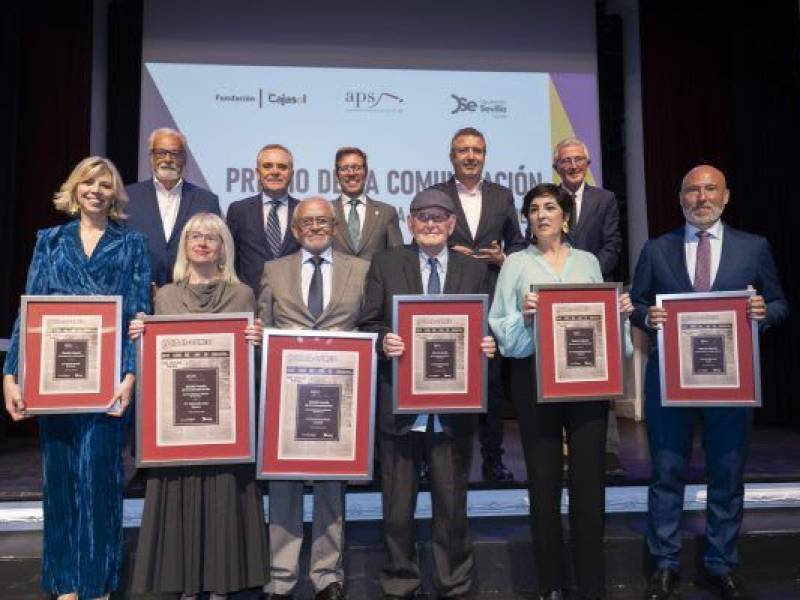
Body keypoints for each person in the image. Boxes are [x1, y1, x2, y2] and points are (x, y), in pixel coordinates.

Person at [630, 165, 788, 600]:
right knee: (666, 471)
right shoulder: (656, 249)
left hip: (731, 381)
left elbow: (779, 303)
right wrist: (647, 316)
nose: (701, 197)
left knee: (727, 471)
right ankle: (664, 564)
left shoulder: (753, 247)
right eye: (692, 190)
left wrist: (763, 313)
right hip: (670, 379)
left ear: (726, 196)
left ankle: (721, 563)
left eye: (710, 189)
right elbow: (636, 304)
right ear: (680, 198)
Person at [2, 156, 151, 600]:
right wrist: (11, 375)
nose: (96, 191)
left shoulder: (133, 245)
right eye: (89, 183)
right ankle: (65, 583)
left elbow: (138, 315)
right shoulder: (48, 241)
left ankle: (97, 583)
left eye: (105, 184)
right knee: (62, 482)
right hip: (55, 382)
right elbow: (28, 312)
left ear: (115, 194)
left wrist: (130, 376)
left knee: (100, 482)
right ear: (74, 188)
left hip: (107, 384)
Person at [489, 183, 632, 600]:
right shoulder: (515, 264)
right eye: (533, 209)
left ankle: (591, 585)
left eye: (550, 207)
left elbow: (604, 330)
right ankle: (550, 584)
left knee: (590, 484)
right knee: (543, 484)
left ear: (566, 216)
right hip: (534, 381)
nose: (541, 215)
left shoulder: (588, 262)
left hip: (587, 383)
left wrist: (619, 314)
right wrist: (525, 317)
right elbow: (500, 326)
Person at [359, 188, 497, 600]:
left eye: (439, 217)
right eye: (422, 216)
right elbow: (367, 323)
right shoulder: (386, 263)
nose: (431, 223)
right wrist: (384, 340)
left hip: (454, 409)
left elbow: (483, 326)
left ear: (452, 224)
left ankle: (453, 582)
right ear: (410, 222)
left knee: (452, 506)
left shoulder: (473, 270)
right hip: (399, 406)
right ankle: (400, 581)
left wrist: (488, 343)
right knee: (397, 508)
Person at [129, 213, 269, 599]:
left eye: (212, 237)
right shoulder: (165, 297)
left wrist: (257, 342)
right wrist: (141, 337)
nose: (202, 242)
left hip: (226, 422)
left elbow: (250, 366)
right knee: (180, 491)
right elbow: (157, 363)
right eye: (195, 236)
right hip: (178, 422)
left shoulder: (242, 295)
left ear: (224, 247)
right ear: (185, 245)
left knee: (225, 493)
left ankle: (223, 583)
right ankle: (185, 584)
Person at [259, 197, 369, 600]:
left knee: (331, 485)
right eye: (308, 222)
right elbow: (263, 327)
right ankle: (281, 576)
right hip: (287, 398)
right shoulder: (274, 270)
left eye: (324, 221)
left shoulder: (361, 269)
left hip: (340, 398)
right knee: (283, 485)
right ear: (294, 230)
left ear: (335, 227)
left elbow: (370, 323)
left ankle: (327, 574)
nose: (316, 227)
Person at [429, 127, 526, 483]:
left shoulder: (502, 195)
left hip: (490, 299)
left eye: (477, 150)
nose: (470, 156)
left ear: (484, 156)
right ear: (452, 156)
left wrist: (503, 258)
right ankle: (438, 458)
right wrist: (442, 249)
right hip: (447, 300)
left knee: (491, 384)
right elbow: (420, 238)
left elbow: (519, 243)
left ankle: (492, 460)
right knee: (441, 377)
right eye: (463, 150)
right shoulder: (436, 194)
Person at [552, 136, 626, 477]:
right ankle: (564, 448)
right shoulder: (548, 199)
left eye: (578, 159)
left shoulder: (605, 199)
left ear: (588, 163)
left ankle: (607, 449)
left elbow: (613, 244)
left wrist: (587, 275)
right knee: (559, 373)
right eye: (566, 160)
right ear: (556, 166)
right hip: (555, 299)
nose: (572, 166)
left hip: (596, 295)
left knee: (600, 373)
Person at [126, 127, 222, 288]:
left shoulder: (206, 200)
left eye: (175, 153)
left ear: (184, 159)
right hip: (139, 292)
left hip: (189, 293)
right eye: (161, 153)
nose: (168, 159)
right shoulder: (128, 197)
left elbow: (215, 252)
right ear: (151, 157)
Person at [227, 143, 301, 294]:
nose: (275, 172)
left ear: (291, 173)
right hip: (250, 301)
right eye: (268, 166)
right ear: (257, 172)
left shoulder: (304, 211)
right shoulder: (238, 210)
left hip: (294, 301)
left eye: (282, 167)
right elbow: (229, 261)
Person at [330, 146, 403, 261]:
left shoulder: (386, 212)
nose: (351, 173)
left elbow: (398, 257)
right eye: (344, 168)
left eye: (356, 167)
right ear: (337, 174)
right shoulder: (326, 212)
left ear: (366, 171)